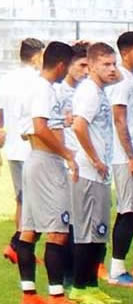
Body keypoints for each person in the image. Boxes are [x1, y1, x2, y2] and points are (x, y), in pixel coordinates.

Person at [16, 41, 86, 304]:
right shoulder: (44, 89)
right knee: (58, 232)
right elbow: (40, 128)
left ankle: (29, 294)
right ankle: (57, 298)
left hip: (36, 161)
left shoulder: (36, 88)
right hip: (47, 163)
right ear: (60, 66)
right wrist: (67, 153)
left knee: (29, 231)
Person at [68, 42, 121, 304]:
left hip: (99, 173)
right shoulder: (89, 91)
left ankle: (91, 283)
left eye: (114, 63)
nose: (113, 69)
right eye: (106, 64)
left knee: (99, 230)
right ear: (91, 66)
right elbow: (79, 127)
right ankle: (79, 286)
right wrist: (95, 159)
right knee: (87, 231)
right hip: (89, 172)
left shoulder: (99, 91)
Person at [105, 31, 133, 287]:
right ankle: (117, 270)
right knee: (129, 212)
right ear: (124, 54)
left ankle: (118, 268)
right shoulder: (122, 81)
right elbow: (119, 118)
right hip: (126, 157)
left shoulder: (132, 79)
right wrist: (131, 157)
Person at [0, 38, 45, 264]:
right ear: (37, 56)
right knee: (34, 201)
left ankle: (20, 248)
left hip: (13, 148)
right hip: (32, 147)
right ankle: (18, 244)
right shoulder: (37, 80)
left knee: (22, 199)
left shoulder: (7, 79)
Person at [55, 42, 90, 288]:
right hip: (64, 164)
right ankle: (67, 276)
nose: (87, 71)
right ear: (68, 65)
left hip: (85, 164)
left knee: (83, 221)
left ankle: (82, 274)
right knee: (66, 222)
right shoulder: (58, 93)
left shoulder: (87, 92)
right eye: (82, 65)